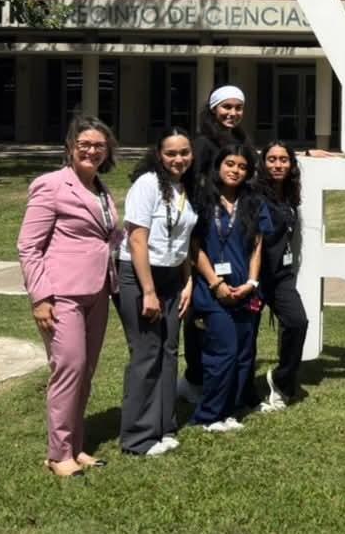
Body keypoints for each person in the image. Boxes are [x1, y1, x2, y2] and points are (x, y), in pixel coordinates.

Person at [16, 115, 122, 477]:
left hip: (98, 291)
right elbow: (29, 246)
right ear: (70, 148)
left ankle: (76, 447)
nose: (92, 150)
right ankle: (57, 453)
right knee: (69, 368)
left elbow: (108, 238)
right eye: (85, 144)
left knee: (85, 372)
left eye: (99, 145)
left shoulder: (102, 190)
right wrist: (40, 296)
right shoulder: (51, 185)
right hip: (62, 295)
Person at [114, 127, 198, 456]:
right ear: (159, 155)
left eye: (184, 152)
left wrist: (188, 281)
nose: (179, 159)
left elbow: (185, 241)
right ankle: (137, 438)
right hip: (140, 276)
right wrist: (148, 291)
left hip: (173, 276)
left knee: (168, 351)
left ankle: (164, 426)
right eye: (171, 153)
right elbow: (136, 239)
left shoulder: (186, 187)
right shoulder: (147, 184)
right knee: (146, 354)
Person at [189, 143, 269, 432]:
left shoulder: (253, 203)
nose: (235, 170)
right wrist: (215, 283)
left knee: (244, 354)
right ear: (218, 167)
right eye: (230, 164)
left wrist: (251, 282)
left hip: (246, 291)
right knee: (222, 352)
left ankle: (231, 410)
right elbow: (194, 247)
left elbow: (257, 246)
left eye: (242, 166)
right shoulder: (201, 201)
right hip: (213, 292)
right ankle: (208, 416)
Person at [182, 85, 252, 401]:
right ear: (213, 109)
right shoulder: (203, 143)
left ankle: (214, 374)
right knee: (199, 310)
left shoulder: (240, 141)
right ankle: (194, 377)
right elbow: (192, 186)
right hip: (205, 230)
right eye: (226, 107)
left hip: (230, 234)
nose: (232, 113)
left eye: (238, 107)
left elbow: (257, 170)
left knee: (221, 311)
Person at [253, 140, 310, 411]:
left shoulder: (289, 194)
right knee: (243, 338)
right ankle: (236, 392)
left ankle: (280, 380)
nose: (278, 165)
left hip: (281, 277)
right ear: (263, 163)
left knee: (297, 323)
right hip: (253, 276)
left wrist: (308, 153)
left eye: (284, 159)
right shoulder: (252, 194)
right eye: (272, 159)